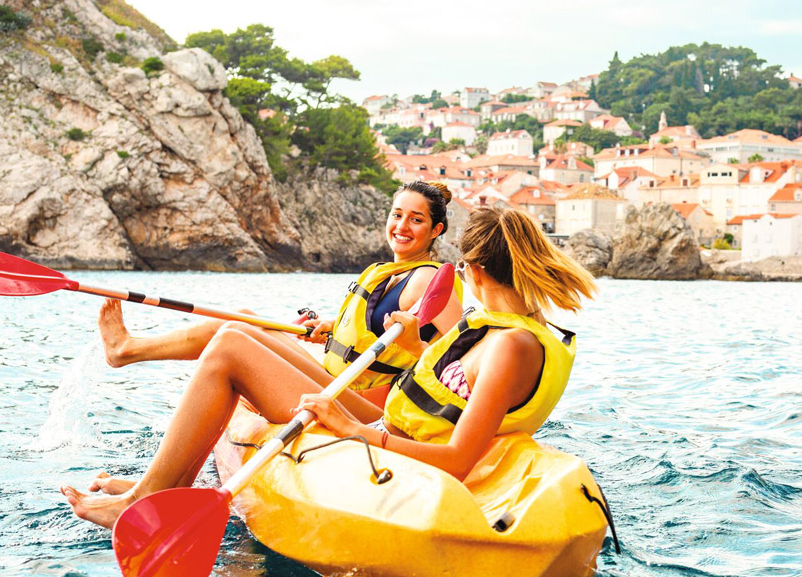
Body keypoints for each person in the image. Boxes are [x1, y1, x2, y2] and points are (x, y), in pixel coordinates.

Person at [62, 204, 596, 528]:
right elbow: (448, 391)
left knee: (228, 349)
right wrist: (411, 348)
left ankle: (149, 497)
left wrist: (351, 428)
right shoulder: (497, 325)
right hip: (388, 421)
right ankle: (158, 485)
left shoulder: (512, 346)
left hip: (385, 436)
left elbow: (456, 459)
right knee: (239, 330)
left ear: (473, 268)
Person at [95, 180, 463, 401]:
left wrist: (417, 348)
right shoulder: (390, 271)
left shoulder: (432, 280)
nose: (402, 225)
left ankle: (127, 350)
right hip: (335, 375)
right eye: (397, 215)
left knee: (238, 336)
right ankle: (128, 350)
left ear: (437, 230)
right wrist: (332, 327)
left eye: (417, 220)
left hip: (358, 397)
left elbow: (456, 363)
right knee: (249, 320)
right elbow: (377, 323)